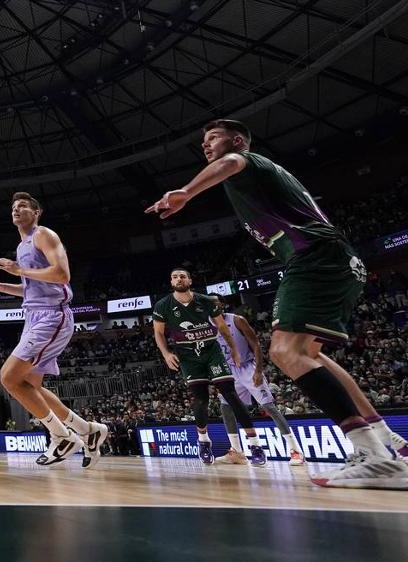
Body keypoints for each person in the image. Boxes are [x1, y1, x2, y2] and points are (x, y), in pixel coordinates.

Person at [147, 119, 408, 488]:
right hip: (337, 260)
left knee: (286, 352)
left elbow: (229, 163)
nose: (206, 146)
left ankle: (375, 456)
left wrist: (186, 192)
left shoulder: (243, 162)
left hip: (314, 257)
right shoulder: (260, 178)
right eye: (203, 141)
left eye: (213, 138)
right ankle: (386, 442)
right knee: (311, 355)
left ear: (236, 141)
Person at [0, 192, 108, 469]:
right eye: (13, 207)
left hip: (51, 317)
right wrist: (2, 287)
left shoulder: (44, 235)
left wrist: (18, 269)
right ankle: (87, 430)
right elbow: (32, 286)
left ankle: (61, 436)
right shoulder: (23, 244)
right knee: (30, 386)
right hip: (34, 315)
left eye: (23, 206)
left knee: (9, 378)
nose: (16, 209)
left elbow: (61, 275)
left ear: (37, 212)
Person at [151, 268, 267, 467]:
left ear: (190, 280)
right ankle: (204, 442)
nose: (179, 279)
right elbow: (159, 333)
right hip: (187, 356)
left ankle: (255, 445)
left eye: (183, 276)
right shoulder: (163, 305)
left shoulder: (206, 300)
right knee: (200, 399)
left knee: (231, 396)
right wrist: (166, 353)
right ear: (171, 282)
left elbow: (222, 327)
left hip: (212, 351)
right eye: (175, 277)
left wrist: (234, 350)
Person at [211, 300, 306, 467]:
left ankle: (295, 451)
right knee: (225, 407)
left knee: (269, 407)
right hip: (229, 370)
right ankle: (236, 451)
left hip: (248, 367)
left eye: (216, 302)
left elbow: (255, 344)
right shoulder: (207, 326)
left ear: (222, 305)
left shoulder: (237, 320)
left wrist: (258, 370)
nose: (213, 306)